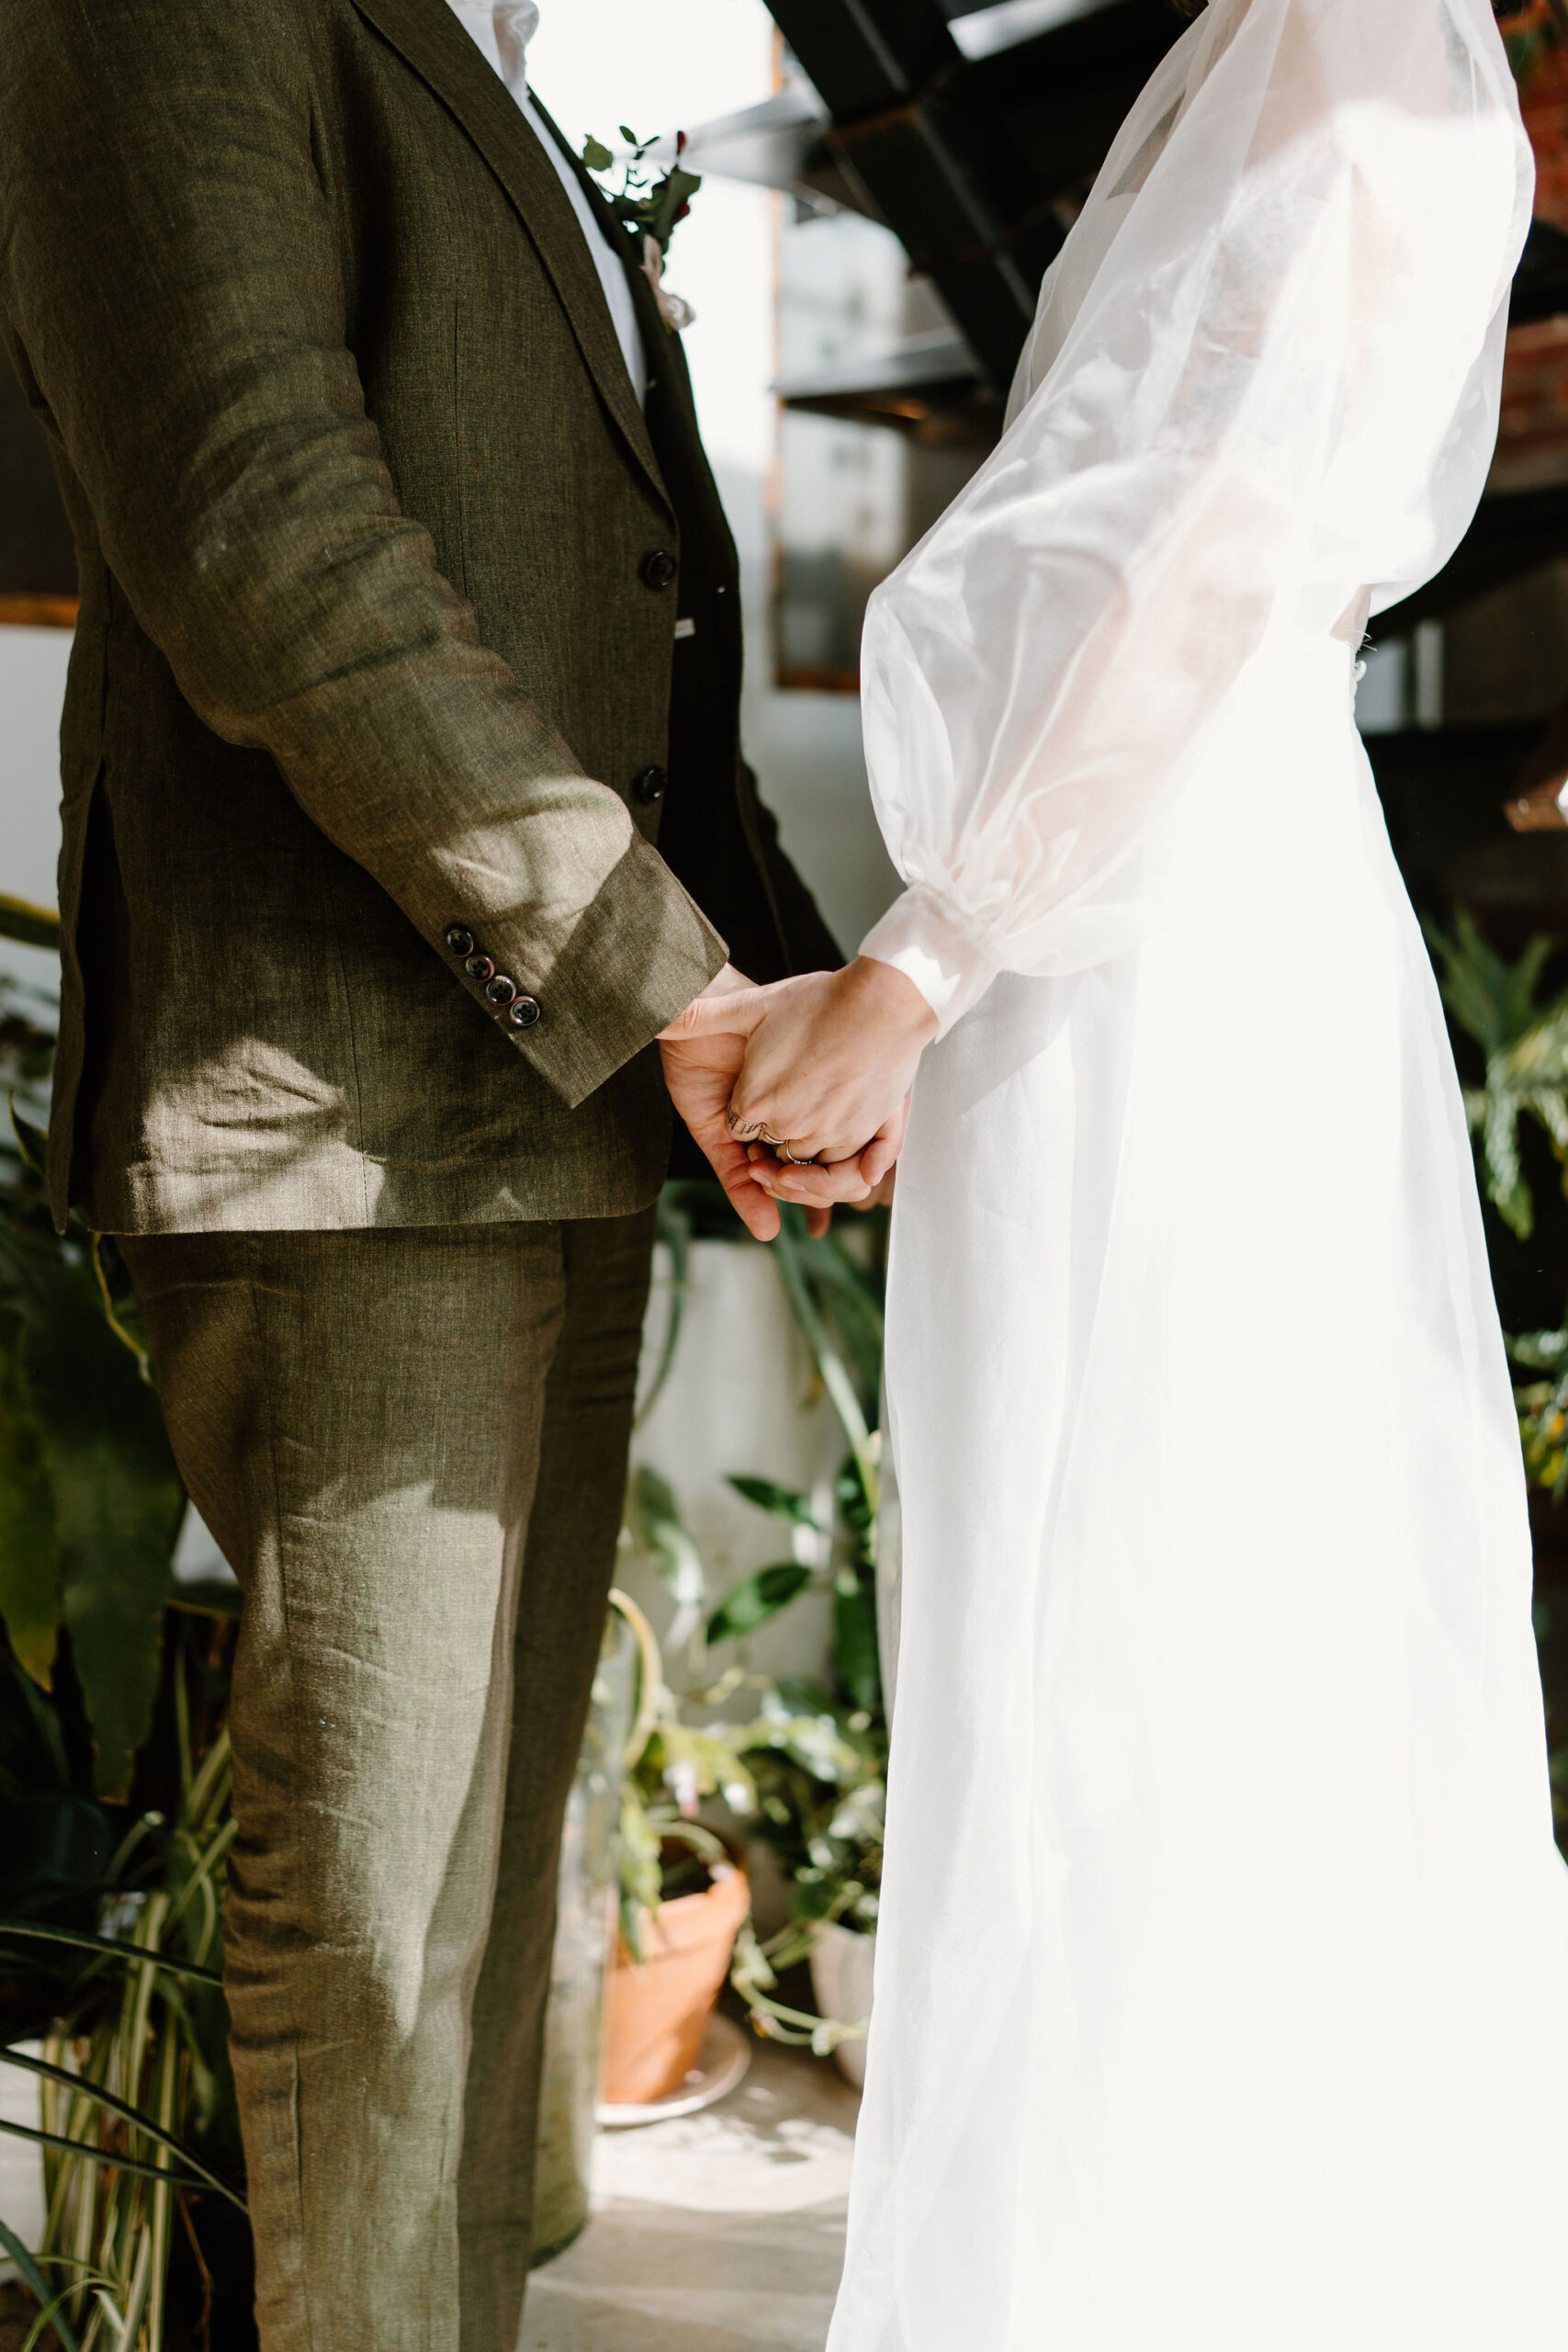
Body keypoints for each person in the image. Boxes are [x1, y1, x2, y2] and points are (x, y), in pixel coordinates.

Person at [667, 2, 1568, 2342]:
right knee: (1204, 1630)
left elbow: (1208, 526)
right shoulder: (1411, 48)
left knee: (1130, 1648)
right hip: (1210, 874)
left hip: (1144, 913)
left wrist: (925, 955)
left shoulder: (1349, 39)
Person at [0, 2, 837, 2346]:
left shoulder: (495, 56)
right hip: (342, 1100)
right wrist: (670, 983)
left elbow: (625, 599)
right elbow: (261, 518)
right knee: (371, 1916)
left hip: (552, 1091)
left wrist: (800, 1002)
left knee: (489, 1895)